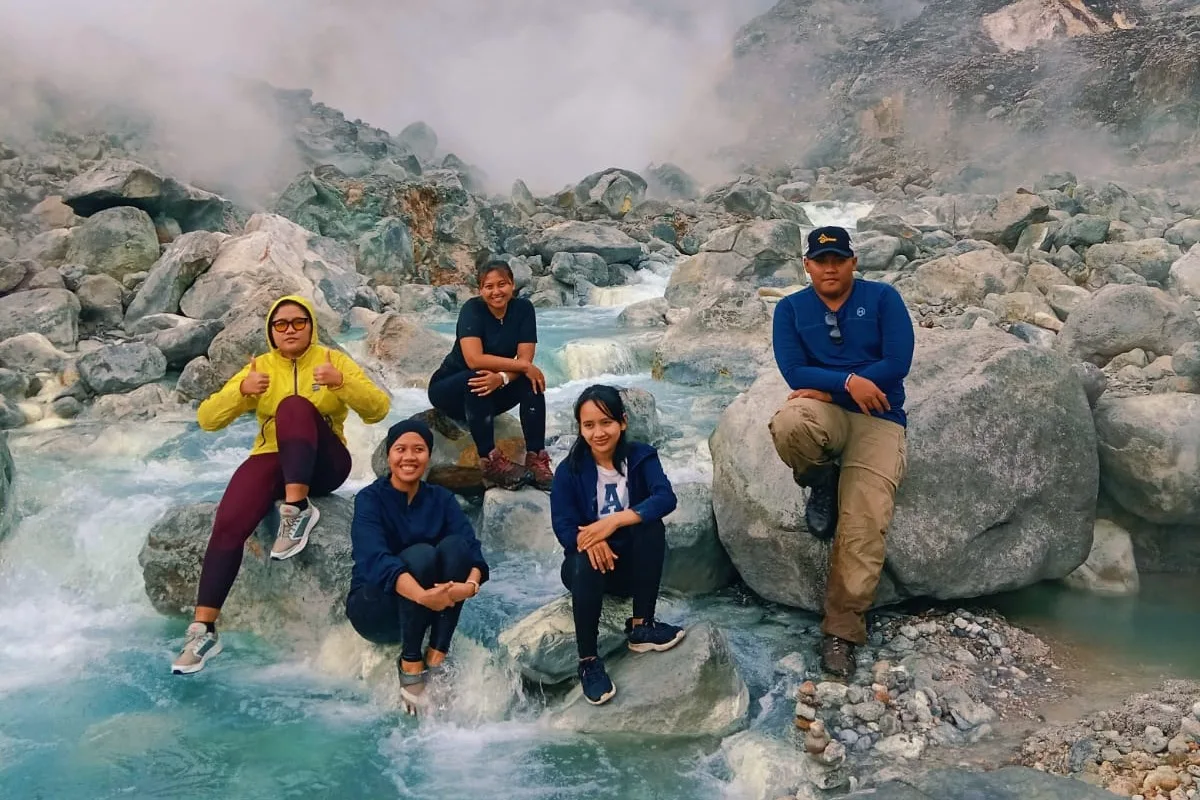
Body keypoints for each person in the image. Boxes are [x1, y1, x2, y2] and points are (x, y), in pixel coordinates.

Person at [171, 295, 391, 675]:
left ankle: (298, 508)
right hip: (272, 457)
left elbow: (378, 408)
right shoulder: (259, 367)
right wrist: (241, 392)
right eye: (281, 324)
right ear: (271, 331)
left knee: (293, 406)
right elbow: (207, 419)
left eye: (298, 322)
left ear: (311, 326)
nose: (290, 329)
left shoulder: (332, 360)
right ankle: (203, 629)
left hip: (326, 462)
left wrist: (341, 384)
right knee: (229, 522)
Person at [768, 225, 914, 680]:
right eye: (820, 261)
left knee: (865, 520)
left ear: (853, 263)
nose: (829, 268)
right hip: (829, 408)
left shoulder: (884, 299)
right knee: (791, 423)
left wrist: (836, 389)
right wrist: (847, 384)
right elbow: (794, 372)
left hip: (880, 418)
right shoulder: (790, 309)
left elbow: (898, 361)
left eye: (838, 260)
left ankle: (841, 631)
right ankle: (820, 480)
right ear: (807, 266)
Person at [549, 384, 686, 706]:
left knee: (650, 528)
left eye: (606, 422)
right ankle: (589, 661)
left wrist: (612, 522)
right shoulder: (569, 471)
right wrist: (589, 541)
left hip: (630, 566)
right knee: (584, 561)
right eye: (589, 425)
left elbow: (665, 498)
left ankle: (642, 626)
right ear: (580, 428)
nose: (598, 432)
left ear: (622, 422)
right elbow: (564, 527)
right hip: (587, 569)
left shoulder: (641, 456)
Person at [345, 419, 489, 714]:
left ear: (429, 455)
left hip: (426, 608)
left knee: (456, 548)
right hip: (376, 609)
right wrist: (425, 597)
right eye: (401, 449)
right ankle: (410, 661)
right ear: (388, 456)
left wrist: (469, 586)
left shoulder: (441, 498)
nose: (409, 457)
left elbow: (473, 552)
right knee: (421, 555)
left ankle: (436, 655)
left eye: (418, 450)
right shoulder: (370, 499)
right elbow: (374, 559)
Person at [428, 258, 552, 491]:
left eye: (502, 284)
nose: (496, 291)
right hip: (450, 388)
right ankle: (490, 460)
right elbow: (474, 359)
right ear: (480, 290)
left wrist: (503, 378)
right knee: (479, 374)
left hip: (489, 391)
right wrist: (520, 367)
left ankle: (536, 457)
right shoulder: (472, 310)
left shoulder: (523, 309)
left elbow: (525, 362)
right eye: (489, 286)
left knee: (531, 380)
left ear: (512, 285)